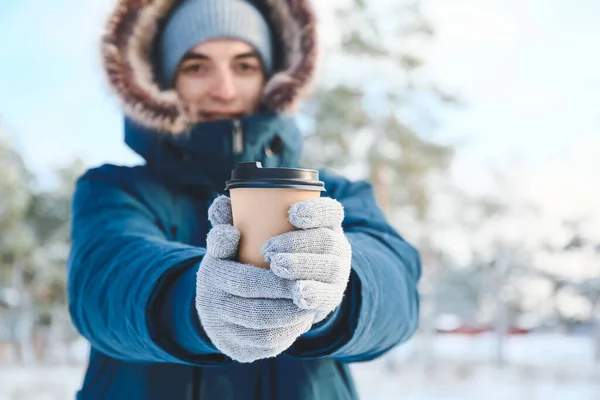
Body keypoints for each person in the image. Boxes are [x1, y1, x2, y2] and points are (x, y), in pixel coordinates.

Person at [66, 0, 422, 398]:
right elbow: (105, 284)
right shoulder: (114, 189)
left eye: (245, 65)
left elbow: (398, 293)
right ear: (164, 80)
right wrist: (197, 303)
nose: (223, 89)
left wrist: (332, 292)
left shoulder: (334, 194)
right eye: (196, 66)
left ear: (273, 77)